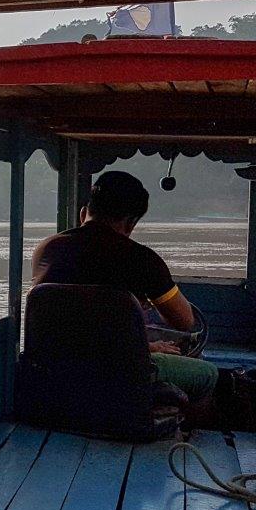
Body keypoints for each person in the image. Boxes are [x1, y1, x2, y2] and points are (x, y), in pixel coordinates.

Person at [30, 170, 219, 410]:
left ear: (84, 213)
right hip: (116, 375)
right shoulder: (142, 259)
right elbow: (184, 321)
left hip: (54, 374)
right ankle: (184, 442)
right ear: (131, 223)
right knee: (208, 374)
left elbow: (80, 328)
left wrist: (147, 346)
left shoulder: (46, 250)